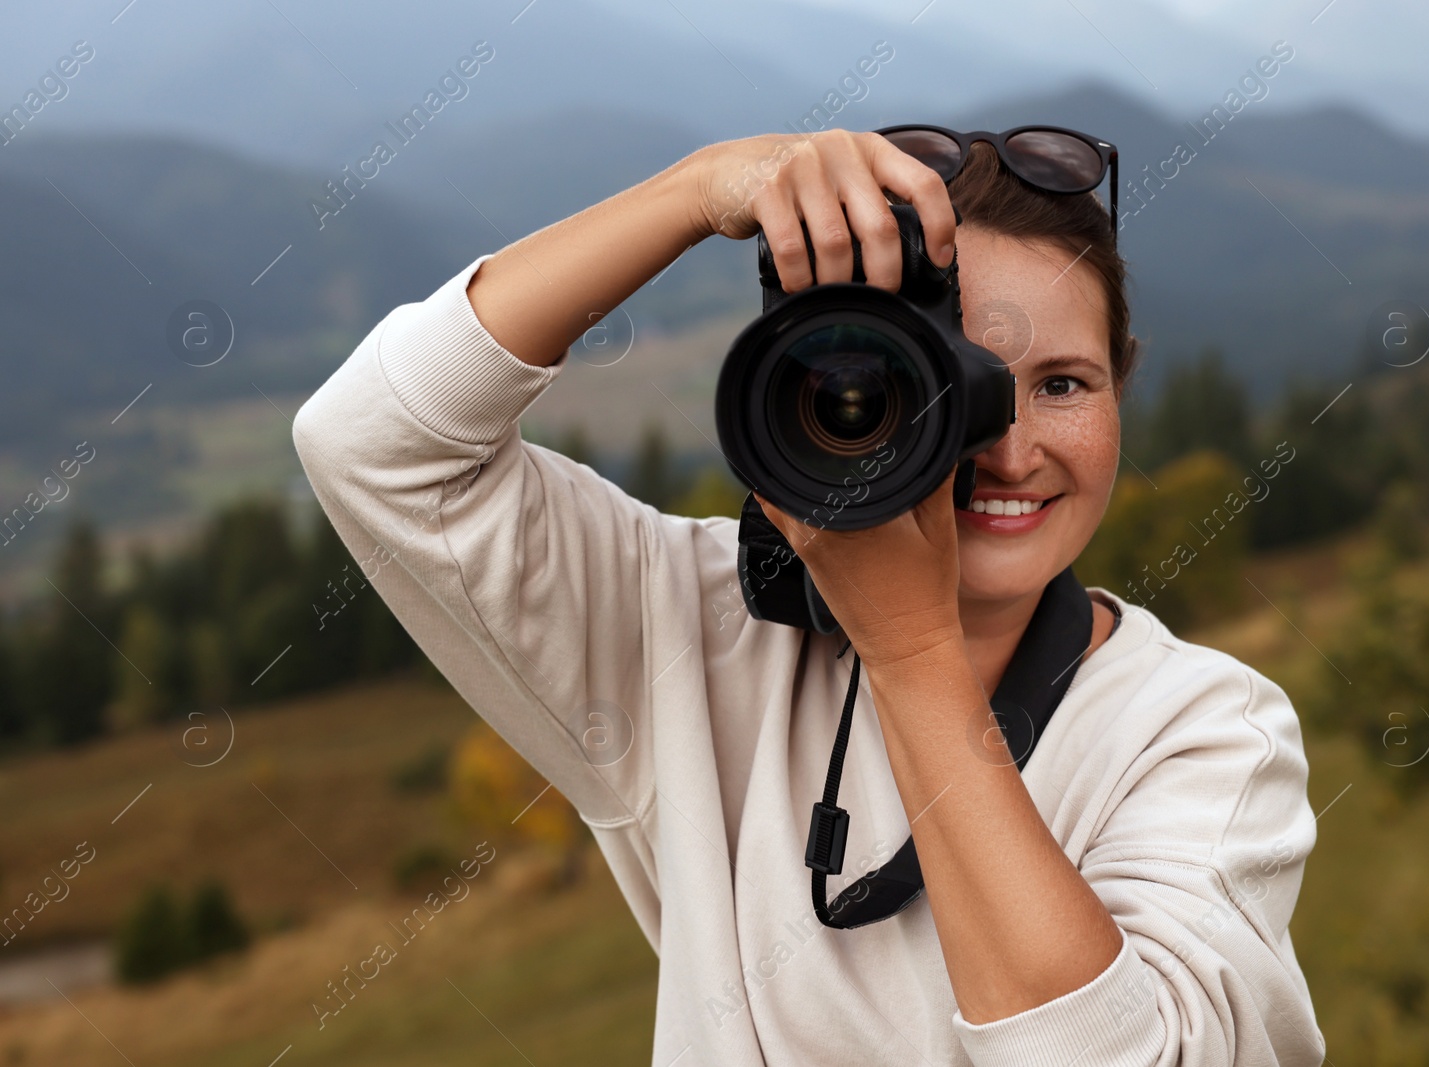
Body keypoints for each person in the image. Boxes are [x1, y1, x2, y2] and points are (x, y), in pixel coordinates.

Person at [293, 127, 1325, 1066]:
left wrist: (911, 649)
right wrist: (696, 190)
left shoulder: (1202, 732)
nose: (1008, 449)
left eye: (1062, 383)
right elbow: (376, 445)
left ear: (1121, 387)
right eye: (952, 385)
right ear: (815, 400)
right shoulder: (689, 631)